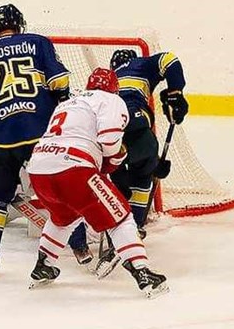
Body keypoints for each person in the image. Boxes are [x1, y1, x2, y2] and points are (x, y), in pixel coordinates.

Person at [25, 69, 168, 298]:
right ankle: (142, 272)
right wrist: (116, 158)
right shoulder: (111, 99)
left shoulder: (68, 103)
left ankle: (44, 264)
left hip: (39, 169)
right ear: (114, 88)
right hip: (74, 168)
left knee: (63, 218)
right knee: (121, 216)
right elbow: (109, 139)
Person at [0, 4, 70, 278]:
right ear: (20, 23)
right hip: (40, 132)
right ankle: (81, 247)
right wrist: (61, 101)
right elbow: (59, 80)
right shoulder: (38, 42)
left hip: (2, 139)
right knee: (59, 187)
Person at [68, 48, 189, 261]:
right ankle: (134, 226)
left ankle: (104, 229)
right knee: (143, 173)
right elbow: (170, 59)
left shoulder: (103, 84)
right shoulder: (141, 65)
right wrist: (175, 93)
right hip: (137, 124)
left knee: (111, 179)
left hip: (100, 134)